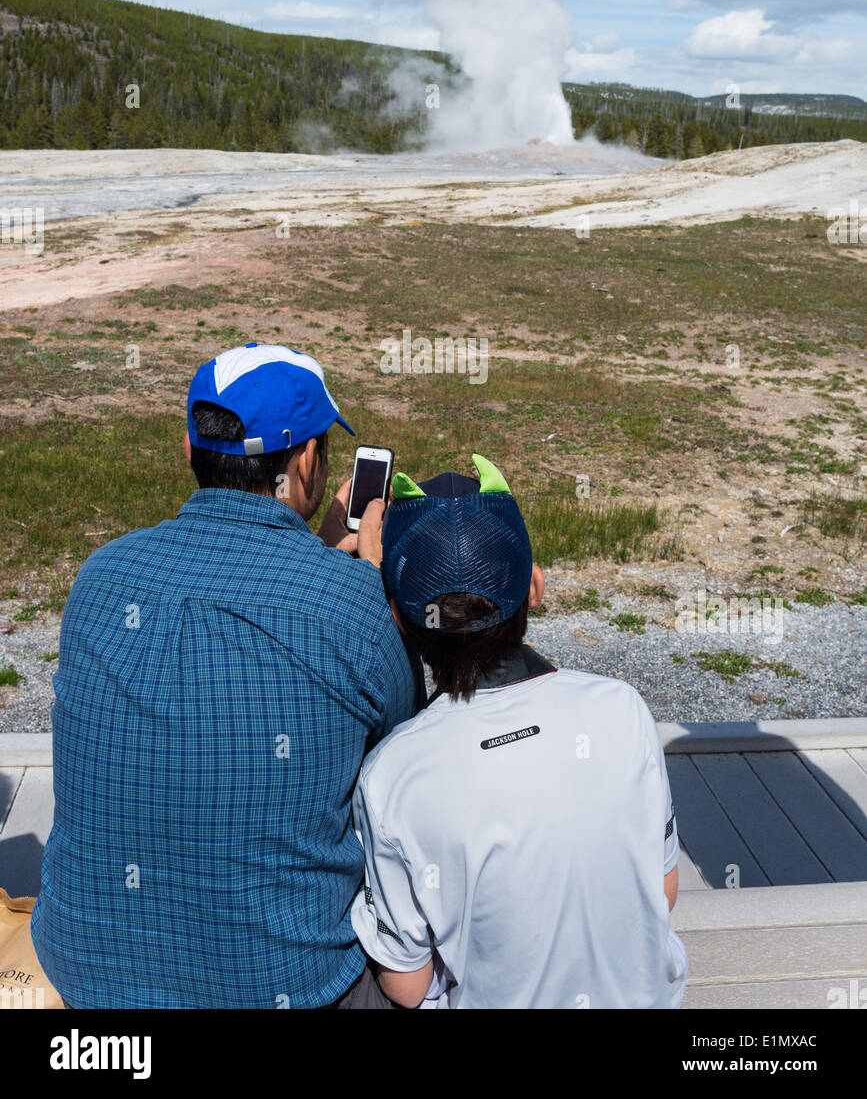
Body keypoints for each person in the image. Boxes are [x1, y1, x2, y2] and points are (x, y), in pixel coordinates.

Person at [32, 342, 421, 1008]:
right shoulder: (349, 601)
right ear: (305, 460)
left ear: (190, 452)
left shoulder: (101, 577)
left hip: (86, 971)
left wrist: (323, 563)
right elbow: (406, 747)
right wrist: (368, 585)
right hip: (287, 982)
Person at [350, 454, 689, 1009]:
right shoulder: (620, 710)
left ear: (396, 613)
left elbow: (407, 986)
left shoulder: (391, 773)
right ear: (534, 588)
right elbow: (663, 890)